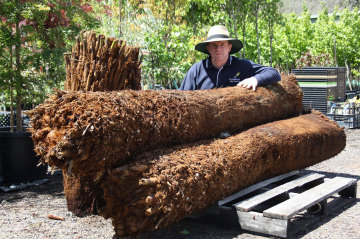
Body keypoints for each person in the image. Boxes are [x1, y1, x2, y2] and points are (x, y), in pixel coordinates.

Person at [179, 25, 281, 91]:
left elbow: (274, 73)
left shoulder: (242, 65)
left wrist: (255, 79)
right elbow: (181, 97)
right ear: (208, 48)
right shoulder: (197, 70)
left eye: (222, 44)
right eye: (214, 45)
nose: (218, 49)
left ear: (229, 47)